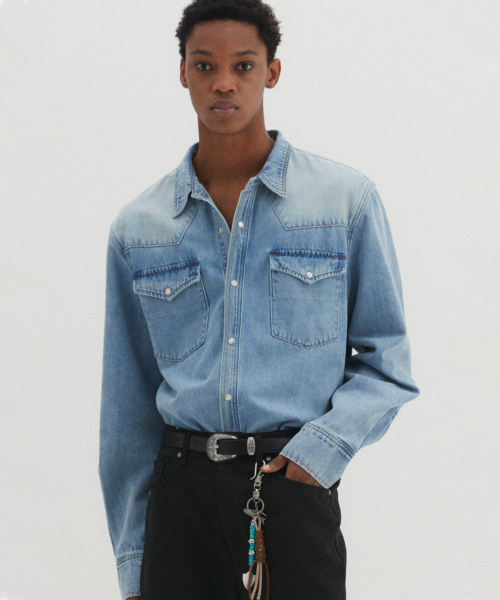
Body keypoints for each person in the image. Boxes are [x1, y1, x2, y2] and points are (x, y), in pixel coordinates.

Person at [98, 1, 420, 599]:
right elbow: (127, 411)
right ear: (183, 72)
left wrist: (321, 452)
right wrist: (134, 558)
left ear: (271, 72)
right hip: (179, 502)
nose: (224, 82)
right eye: (205, 65)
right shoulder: (139, 228)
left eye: (243, 65)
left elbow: (387, 362)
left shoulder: (343, 202)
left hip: (291, 492)